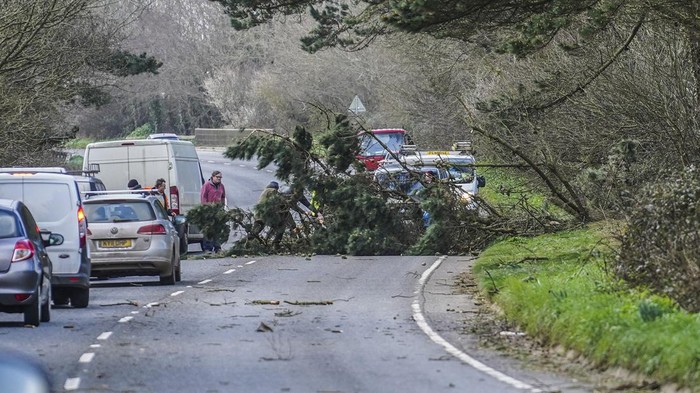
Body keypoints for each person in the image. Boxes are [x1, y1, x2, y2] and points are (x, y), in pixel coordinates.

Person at [249, 181, 295, 247]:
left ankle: (249, 241)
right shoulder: (273, 191)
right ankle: (275, 244)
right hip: (267, 214)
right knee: (281, 226)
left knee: (257, 228)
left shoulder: (264, 192)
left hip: (258, 214)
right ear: (276, 188)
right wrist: (287, 202)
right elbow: (280, 200)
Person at [200, 170, 226, 253]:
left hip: (218, 211)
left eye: (220, 177)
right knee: (208, 229)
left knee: (217, 230)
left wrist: (222, 207)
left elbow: (223, 197)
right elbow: (203, 197)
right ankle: (207, 248)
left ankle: (217, 247)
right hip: (209, 210)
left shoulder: (221, 186)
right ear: (213, 177)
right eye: (217, 177)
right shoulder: (207, 185)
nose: (219, 179)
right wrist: (206, 207)